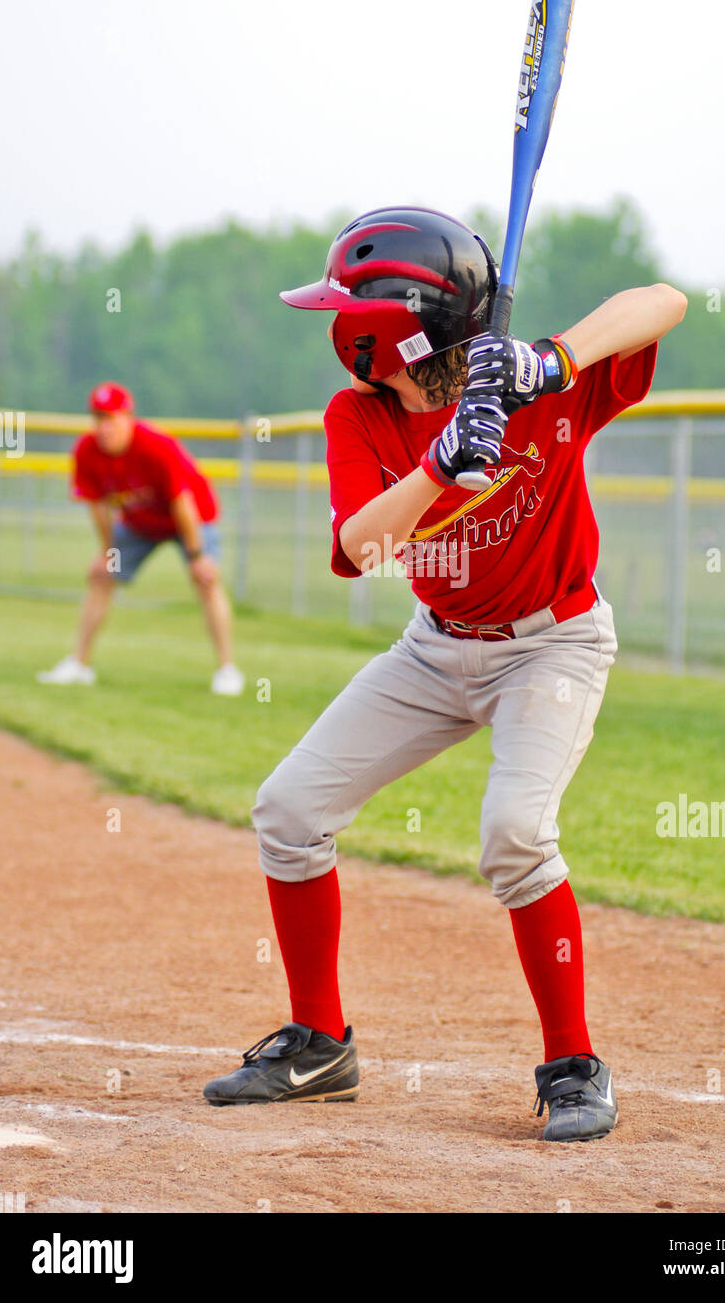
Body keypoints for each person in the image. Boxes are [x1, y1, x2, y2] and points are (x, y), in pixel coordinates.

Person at [203, 206, 687, 1140]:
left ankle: (573, 1063)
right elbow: (361, 543)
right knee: (291, 808)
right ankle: (319, 1044)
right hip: (436, 647)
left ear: (390, 327)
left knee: (513, 834)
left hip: (554, 644)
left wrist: (553, 361)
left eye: (348, 310)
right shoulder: (362, 413)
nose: (337, 329)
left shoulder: (538, 385)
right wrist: (440, 464)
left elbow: (663, 301)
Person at [37, 381, 245, 696]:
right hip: (140, 522)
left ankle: (228, 671)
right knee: (101, 575)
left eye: (111, 417)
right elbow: (98, 509)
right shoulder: (86, 450)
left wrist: (197, 555)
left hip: (190, 517)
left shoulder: (157, 445)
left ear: (128, 417)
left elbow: (182, 503)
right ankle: (79, 665)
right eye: (98, 418)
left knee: (206, 579)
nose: (104, 427)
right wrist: (107, 552)